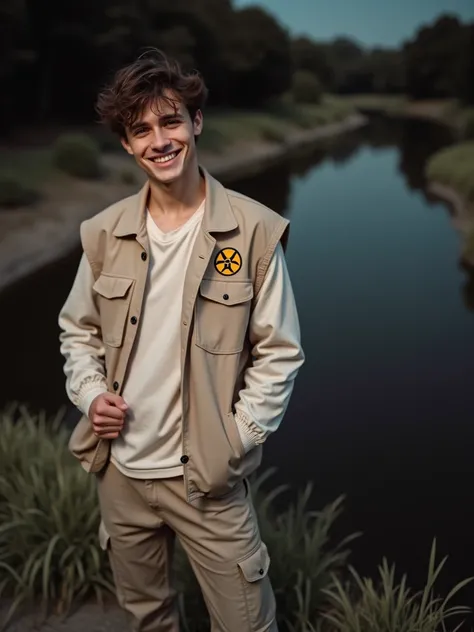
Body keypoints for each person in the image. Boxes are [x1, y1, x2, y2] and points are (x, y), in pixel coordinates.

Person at [58, 49, 304, 632]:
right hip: (119, 472)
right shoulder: (103, 232)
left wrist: (232, 441)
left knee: (248, 625)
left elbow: (280, 353)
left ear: (196, 122)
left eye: (170, 121)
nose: (158, 140)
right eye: (140, 130)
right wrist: (91, 394)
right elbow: (78, 330)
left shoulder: (253, 231)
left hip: (207, 482)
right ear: (126, 144)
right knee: (147, 618)